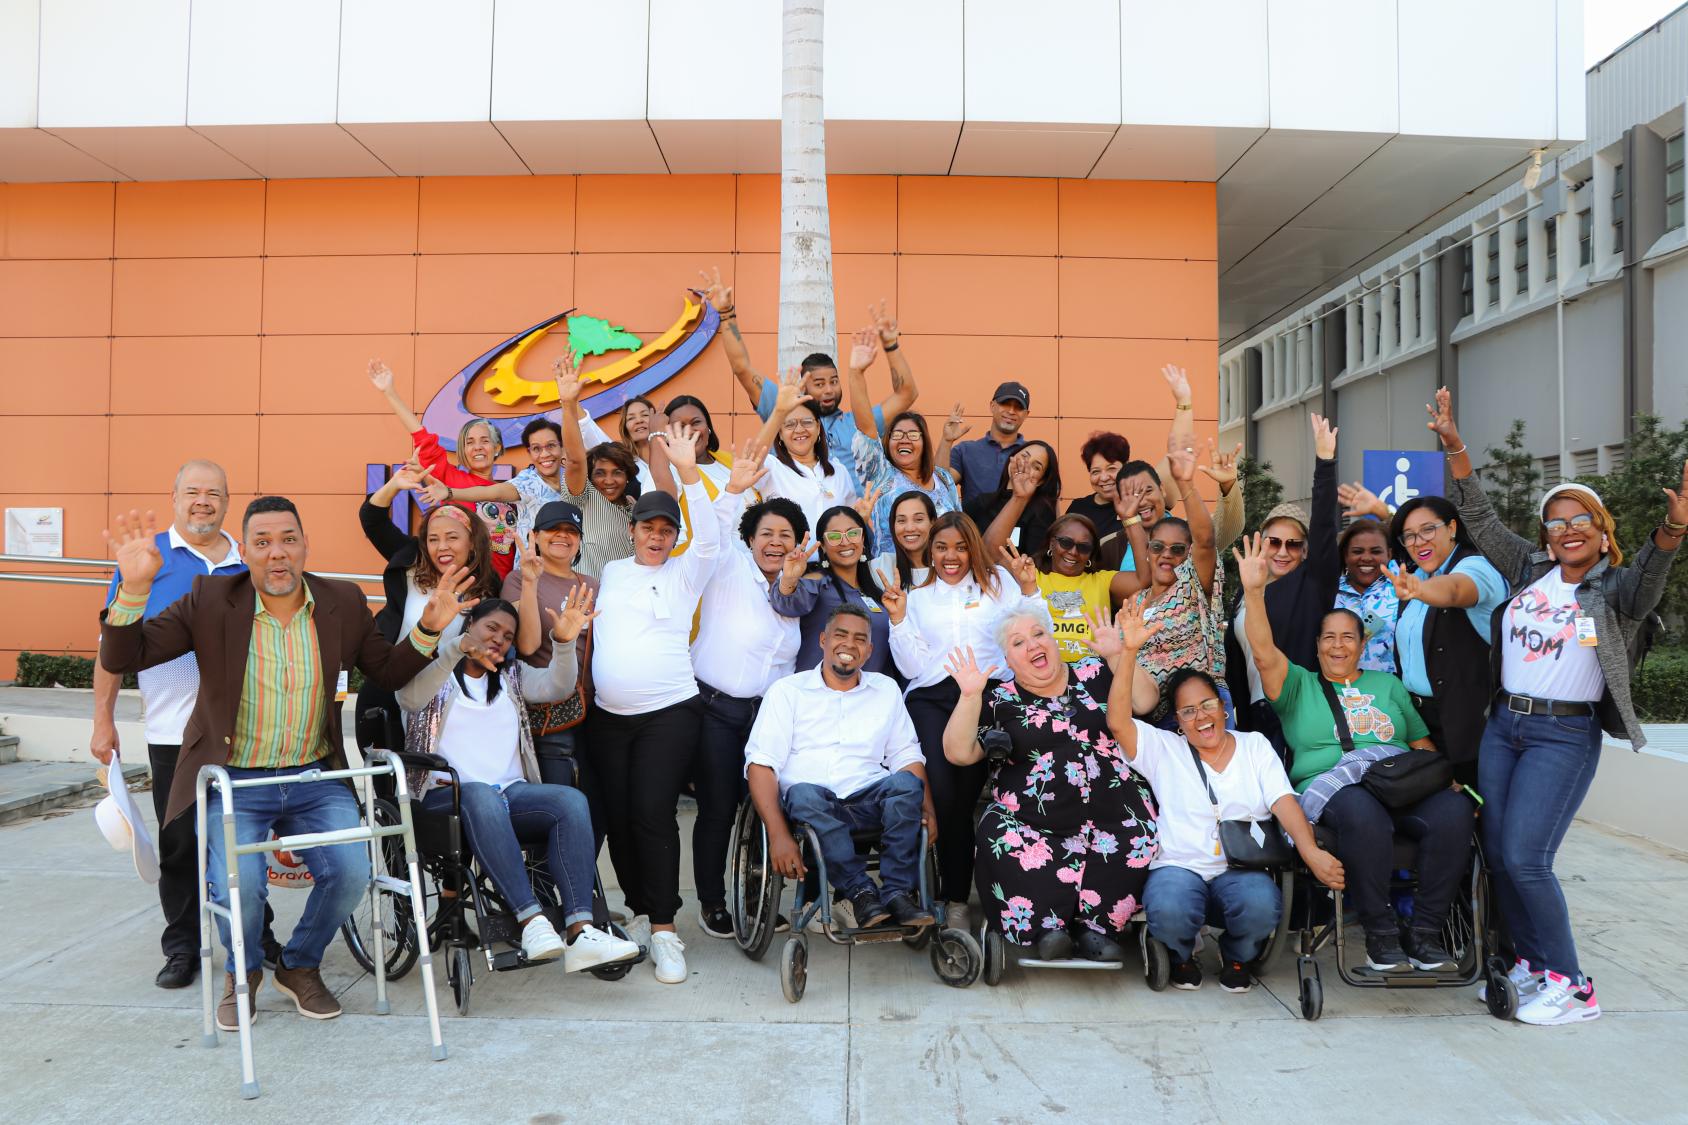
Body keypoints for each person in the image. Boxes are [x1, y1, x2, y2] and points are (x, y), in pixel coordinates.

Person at [99, 497, 472, 1032]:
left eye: (288, 540)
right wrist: (133, 591)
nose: (277, 554)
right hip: (235, 778)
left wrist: (430, 629)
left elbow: (387, 672)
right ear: (244, 552)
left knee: (350, 872)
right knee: (241, 886)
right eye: (263, 542)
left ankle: (298, 966)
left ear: (305, 545)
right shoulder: (208, 599)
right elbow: (123, 657)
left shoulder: (340, 601)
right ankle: (244, 972)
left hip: (313, 776)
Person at [1430, 387, 1686, 1025]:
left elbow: (1655, 567)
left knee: (1526, 856)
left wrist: (1675, 526)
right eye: (1557, 521)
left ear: (1603, 534)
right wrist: (1456, 446)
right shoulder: (1528, 569)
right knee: (1498, 847)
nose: (1568, 530)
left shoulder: (1619, 589)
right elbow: (1482, 518)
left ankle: (1573, 986)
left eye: (1582, 521)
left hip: (1561, 736)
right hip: (1505, 727)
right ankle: (1531, 962)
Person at [1236, 532, 1473, 976]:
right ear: (1317, 645)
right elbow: (1264, 653)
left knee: (1455, 812)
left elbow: (1421, 747)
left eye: (1349, 637)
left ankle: (1423, 934)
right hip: (1337, 794)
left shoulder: (1389, 686)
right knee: (1363, 811)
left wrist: (1449, 782)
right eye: (1329, 638)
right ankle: (1381, 937)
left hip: (1401, 785)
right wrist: (1254, 591)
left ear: (1363, 645)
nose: (1339, 645)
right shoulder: (1299, 685)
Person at [589, 419, 766, 984]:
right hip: (608, 719)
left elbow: (711, 536)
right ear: (634, 529)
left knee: (652, 815)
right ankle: (639, 914)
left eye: (667, 529)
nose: (657, 536)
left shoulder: (689, 571)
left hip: (669, 712)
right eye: (649, 527)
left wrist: (692, 476)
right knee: (618, 820)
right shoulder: (611, 573)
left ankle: (665, 929)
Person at [90, 460, 273, 991]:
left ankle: (257, 939)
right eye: (192, 492)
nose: (203, 501)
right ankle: (183, 947)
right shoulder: (147, 558)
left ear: (227, 501)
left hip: (246, 729)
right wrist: (103, 719)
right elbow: (112, 642)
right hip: (174, 731)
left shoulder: (249, 559)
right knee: (179, 847)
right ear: (173, 497)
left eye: (213, 493)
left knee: (246, 840)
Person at [1100, 606, 1343, 992]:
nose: (1201, 717)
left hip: (1241, 867)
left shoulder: (1255, 746)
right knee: (1169, 909)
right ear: (1177, 721)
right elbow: (1117, 722)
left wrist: (1311, 852)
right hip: (1179, 868)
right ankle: (1180, 955)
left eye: (1208, 705)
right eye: (1189, 711)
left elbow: (1283, 801)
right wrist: (1128, 652)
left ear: (1225, 708)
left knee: (1263, 906)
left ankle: (1236, 954)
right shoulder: (1166, 750)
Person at [397, 592, 641, 973]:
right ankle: (531, 921)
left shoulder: (511, 677)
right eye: (491, 627)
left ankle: (581, 930)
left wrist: (563, 643)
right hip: (446, 798)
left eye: (508, 636)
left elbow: (557, 687)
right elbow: (408, 698)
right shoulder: (437, 671)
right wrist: (454, 650)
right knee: (480, 794)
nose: (499, 638)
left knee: (571, 801)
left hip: (510, 793)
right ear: (469, 624)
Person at [941, 611, 1156, 962]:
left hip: (1114, 811)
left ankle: (1096, 929)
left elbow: (1145, 701)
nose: (1032, 645)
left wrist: (1118, 653)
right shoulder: (999, 700)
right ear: (1007, 659)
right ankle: (1045, 928)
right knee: (998, 833)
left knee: (1140, 833)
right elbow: (959, 753)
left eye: (1038, 634)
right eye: (1018, 642)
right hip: (1033, 820)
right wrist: (969, 696)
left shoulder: (1095, 672)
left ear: (1054, 641)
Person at [883, 512, 1047, 931]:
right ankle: (951, 895)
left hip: (987, 696)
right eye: (941, 547)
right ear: (930, 551)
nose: (950, 556)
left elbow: (1031, 633)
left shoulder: (999, 587)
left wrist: (1030, 589)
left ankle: (955, 894)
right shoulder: (917, 597)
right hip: (932, 698)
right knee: (943, 794)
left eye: (959, 546)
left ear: (972, 546)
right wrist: (899, 619)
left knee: (967, 795)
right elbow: (912, 665)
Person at [744, 605, 939, 929]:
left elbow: (907, 755)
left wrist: (928, 810)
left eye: (860, 639)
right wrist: (778, 834)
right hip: (812, 802)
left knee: (907, 787)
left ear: (869, 650)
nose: (850, 644)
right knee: (804, 794)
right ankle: (861, 892)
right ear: (823, 640)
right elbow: (761, 765)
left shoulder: (885, 689)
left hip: (868, 797)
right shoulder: (788, 692)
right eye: (841, 635)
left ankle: (896, 894)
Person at [687, 492, 806, 939]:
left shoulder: (799, 586)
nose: (775, 543)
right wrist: (733, 490)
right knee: (718, 809)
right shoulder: (729, 567)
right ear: (749, 539)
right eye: (767, 534)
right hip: (717, 710)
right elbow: (709, 529)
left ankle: (754, 899)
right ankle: (713, 903)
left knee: (761, 808)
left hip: (768, 718)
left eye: (786, 535)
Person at [1341, 482, 1510, 783]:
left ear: (1453, 528)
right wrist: (1382, 511)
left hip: (1466, 726)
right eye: (1410, 536)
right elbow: (1411, 538)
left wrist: (1421, 590)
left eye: (1429, 530)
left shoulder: (1475, 566)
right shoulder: (1417, 571)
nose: (1419, 542)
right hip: (1419, 722)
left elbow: (1456, 590)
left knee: (1475, 811)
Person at [703, 268, 918, 489]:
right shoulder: (782, 408)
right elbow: (742, 368)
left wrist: (891, 345)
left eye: (834, 381)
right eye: (819, 384)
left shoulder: (859, 422)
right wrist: (727, 314)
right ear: (803, 387)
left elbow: (907, 393)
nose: (828, 390)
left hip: (853, 521)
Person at [1226, 414, 1340, 750]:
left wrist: (1325, 462)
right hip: (1252, 715)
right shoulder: (1247, 589)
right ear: (1262, 543)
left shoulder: (1313, 585)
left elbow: (1323, 526)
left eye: (1293, 544)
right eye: (1274, 542)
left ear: (1306, 551)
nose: (1282, 551)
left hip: (1297, 712)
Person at [369, 358, 518, 579]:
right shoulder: (451, 479)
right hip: (468, 584)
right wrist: (390, 392)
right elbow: (423, 438)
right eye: (469, 442)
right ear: (462, 451)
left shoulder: (513, 491)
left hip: (506, 590)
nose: (477, 447)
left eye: (484, 441)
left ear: (497, 447)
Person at [1133, 436, 1229, 726]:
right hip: (1151, 719)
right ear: (1147, 550)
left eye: (1177, 549)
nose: (1166, 555)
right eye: (1158, 547)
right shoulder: (1136, 601)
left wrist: (1185, 484)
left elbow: (1205, 539)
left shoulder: (1191, 584)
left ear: (1188, 554)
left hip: (1200, 708)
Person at [502, 503, 597, 791]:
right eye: (553, 529)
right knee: (562, 801)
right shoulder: (518, 579)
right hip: (550, 714)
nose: (562, 536)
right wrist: (531, 583)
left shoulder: (592, 584)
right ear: (536, 536)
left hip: (595, 712)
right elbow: (527, 645)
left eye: (571, 531)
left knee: (596, 808)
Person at [772, 505, 892, 674]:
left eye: (853, 534)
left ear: (863, 539)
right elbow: (786, 604)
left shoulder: (875, 592)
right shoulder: (818, 582)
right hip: (820, 695)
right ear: (823, 547)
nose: (845, 541)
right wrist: (789, 580)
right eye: (834, 536)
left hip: (868, 695)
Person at [753, 364, 860, 534]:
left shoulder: (839, 471)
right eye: (789, 424)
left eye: (807, 422)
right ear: (779, 433)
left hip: (832, 560)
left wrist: (862, 519)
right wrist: (779, 411)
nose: (799, 429)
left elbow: (849, 522)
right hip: (788, 560)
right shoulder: (771, 467)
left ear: (818, 428)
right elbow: (751, 461)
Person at [1032, 510, 1148, 664]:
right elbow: (991, 551)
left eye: (1083, 547)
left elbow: (1143, 579)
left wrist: (1130, 518)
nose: (1073, 552)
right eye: (1066, 542)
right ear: (1051, 543)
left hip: (1091, 676)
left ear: (1091, 553)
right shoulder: (1030, 577)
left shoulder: (1101, 580)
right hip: (1040, 670)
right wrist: (1019, 498)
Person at [851, 408, 965, 555]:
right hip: (893, 573)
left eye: (913, 435)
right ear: (888, 440)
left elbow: (960, 525)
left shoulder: (943, 476)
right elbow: (865, 427)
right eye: (897, 434)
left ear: (924, 442)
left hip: (942, 572)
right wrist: (856, 383)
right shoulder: (882, 473)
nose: (905, 439)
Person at [970, 438, 1062, 558]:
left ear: (1041, 481)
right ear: (1011, 458)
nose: (1025, 465)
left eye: (1036, 467)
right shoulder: (983, 501)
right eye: (1024, 456)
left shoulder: (1042, 512)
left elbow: (1036, 563)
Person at [1332, 518, 1398, 674]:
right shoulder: (1328, 593)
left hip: (1393, 693)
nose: (1367, 558)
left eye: (1376, 551)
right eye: (1357, 551)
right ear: (1345, 555)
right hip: (1338, 692)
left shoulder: (1403, 590)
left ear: (1389, 554)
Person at [948, 381, 1029, 504]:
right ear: (992, 406)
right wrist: (946, 441)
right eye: (1005, 404)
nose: (1011, 411)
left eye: (1018, 407)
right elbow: (940, 484)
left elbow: (1050, 501)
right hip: (973, 523)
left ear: (1026, 414)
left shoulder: (1034, 454)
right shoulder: (965, 451)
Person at [1067, 431, 1133, 542]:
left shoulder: (1140, 503)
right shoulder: (1078, 508)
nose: (1103, 478)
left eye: (1111, 469)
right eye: (1095, 472)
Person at [870, 490, 936, 589]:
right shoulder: (881, 566)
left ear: (933, 522)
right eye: (901, 521)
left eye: (918, 519)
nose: (910, 528)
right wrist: (860, 520)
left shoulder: (949, 565)